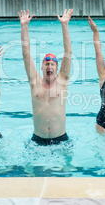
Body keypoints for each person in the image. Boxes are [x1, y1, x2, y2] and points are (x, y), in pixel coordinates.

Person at [18, 9, 73, 146]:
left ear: (56, 67)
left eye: (52, 64)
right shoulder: (34, 81)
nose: (49, 67)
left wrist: (64, 25)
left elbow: (68, 52)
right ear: (42, 67)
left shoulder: (62, 80)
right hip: (37, 141)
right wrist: (24, 27)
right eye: (46, 64)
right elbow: (26, 54)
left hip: (61, 140)